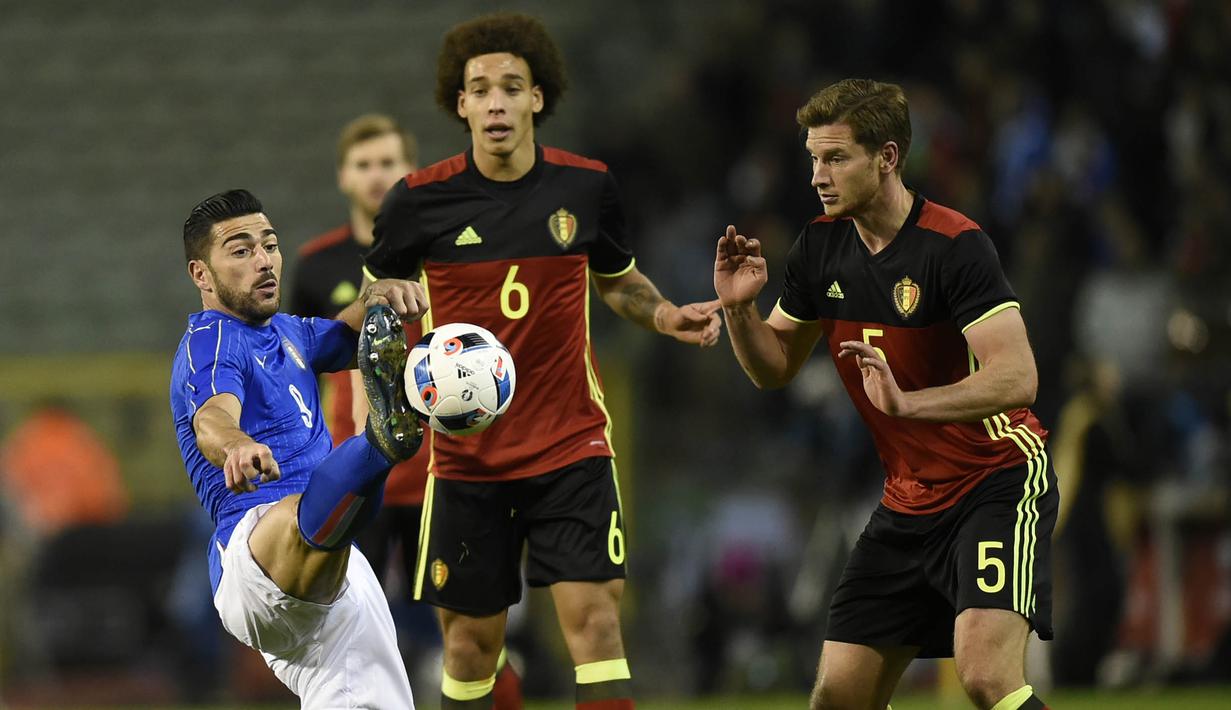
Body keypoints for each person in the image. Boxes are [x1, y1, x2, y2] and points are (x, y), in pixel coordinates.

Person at [364, 13, 722, 710]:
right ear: (459, 103)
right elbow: (377, 296)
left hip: (570, 445)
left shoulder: (585, 189)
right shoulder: (418, 202)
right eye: (479, 89)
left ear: (537, 98)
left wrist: (664, 314)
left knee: (593, 624)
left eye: (510, 87)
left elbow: (618, 281)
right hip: (466, 459)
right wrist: (392, 299)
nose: (495, 102)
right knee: (470, 645)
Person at [713, 79, 1057, 710]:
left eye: (837, 158)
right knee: (837, 700)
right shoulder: (819, 248)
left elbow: (1019, 377)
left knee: (985, 677)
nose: (818, 175)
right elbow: (776, 366)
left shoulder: (955, 246)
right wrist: (741, 313)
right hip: (908, 499)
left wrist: (908, 405)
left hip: (997, 479)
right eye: (814, 158)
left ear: (888, 158)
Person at [289, 113, 523, 707]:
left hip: (437, 472)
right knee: (345, 618)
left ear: (410, 172)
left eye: (389, 163)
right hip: (358, 470)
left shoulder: (444, 253)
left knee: (457, 621)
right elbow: (301, 369)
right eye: (364, 164)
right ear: (343, 175)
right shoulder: (318, 265)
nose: (376, 176)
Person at [169, 188, 428, 708]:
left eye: (270, 244)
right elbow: (212, 418)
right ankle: (381, 441)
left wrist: (379, 296)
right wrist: (238, 446)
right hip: (255, 552)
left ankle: (385, 437)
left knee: (368, 695)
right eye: (241, 251)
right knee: (303, 508)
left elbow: (344, 332)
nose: (264, 261)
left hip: (326, 569)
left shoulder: (287, 334)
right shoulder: (212, 343)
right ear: (202, 275)